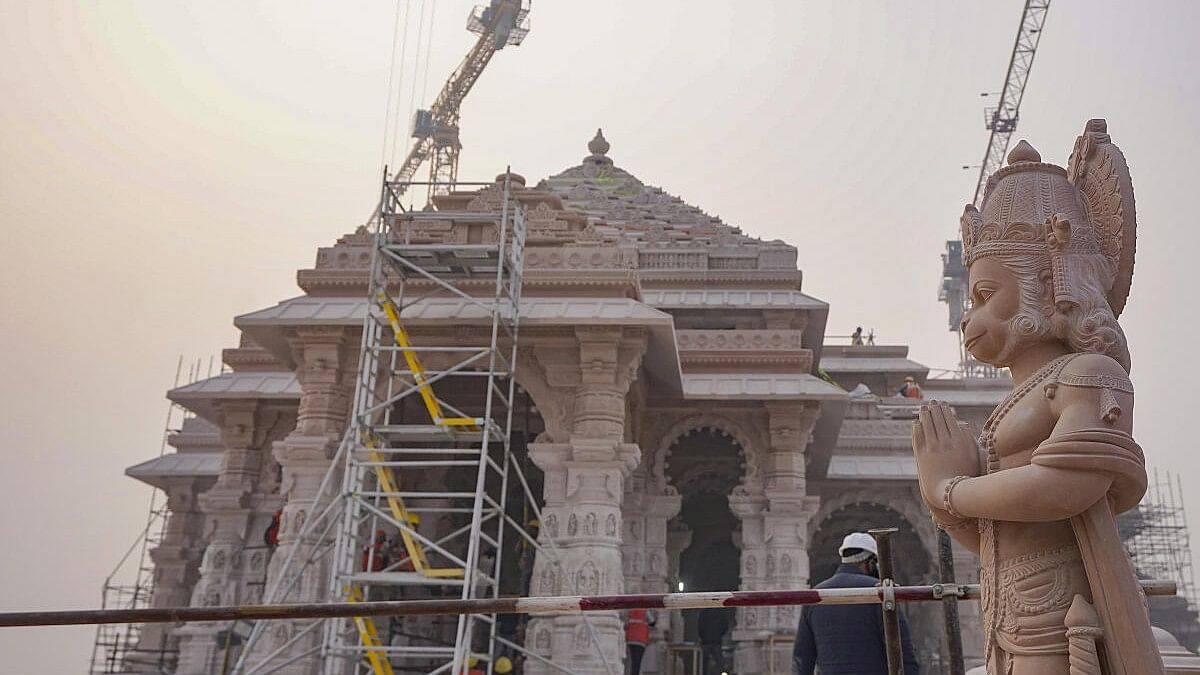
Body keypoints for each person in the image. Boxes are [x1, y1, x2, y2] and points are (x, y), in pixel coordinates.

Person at [793, 532, 919, 675]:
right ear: (871, 562)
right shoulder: (880, 593)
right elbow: (903, 651)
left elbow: (802, 658)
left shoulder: (816, 595)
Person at [697, 607, 730, 675]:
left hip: (706, 641)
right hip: (716, 641)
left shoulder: (703, 612)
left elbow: (700, 626)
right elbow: (725, 625)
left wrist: (702, 636)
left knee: (704, 663)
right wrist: (719, 634)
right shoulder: (720, 612)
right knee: (720, 663)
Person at [625, 607, 655, 675]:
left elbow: (626, 624)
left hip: (631, 640)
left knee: (633, 661)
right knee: (637, 662)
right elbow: (652, 622)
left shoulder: (630, 610)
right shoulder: (645, 611)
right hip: (640, 640)